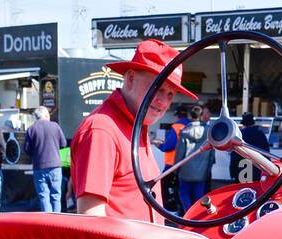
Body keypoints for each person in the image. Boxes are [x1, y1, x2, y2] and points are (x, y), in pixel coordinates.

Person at [71, 38, 196, 223]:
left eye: (170, 94)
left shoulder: (138, 127)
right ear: (130, 78)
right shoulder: (102, 129)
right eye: (158, 88)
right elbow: (91, 219)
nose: (163, 101)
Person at [23, 105, 67, 213]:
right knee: (56, 195)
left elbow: (27, 149)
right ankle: (56, 222)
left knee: (44, 196)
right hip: (55, 165)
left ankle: (48, 222)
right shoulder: (55, 126)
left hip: (39, 166)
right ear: (46, 115)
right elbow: (64, 144)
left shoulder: (31, 129)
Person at [175, 104, 212, 211]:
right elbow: (211, 153)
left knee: (184, 193)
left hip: (185, 170)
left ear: (191, 116)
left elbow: (179, 153)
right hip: (202, 170)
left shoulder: (185, 131)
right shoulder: (208, 131)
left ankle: (188, 213)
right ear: (201, 115)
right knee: (199, 196)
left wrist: (176, 170)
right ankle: (197, 216)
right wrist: (209, 168)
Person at [232, 113, 272, 182]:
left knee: (242, 190)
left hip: (242, 171)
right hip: (257, 171)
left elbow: (235, 155)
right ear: (253, 123)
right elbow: (266, 153)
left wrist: (232, 172)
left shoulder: (240, 135)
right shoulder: (260, 134)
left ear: (243, 124)